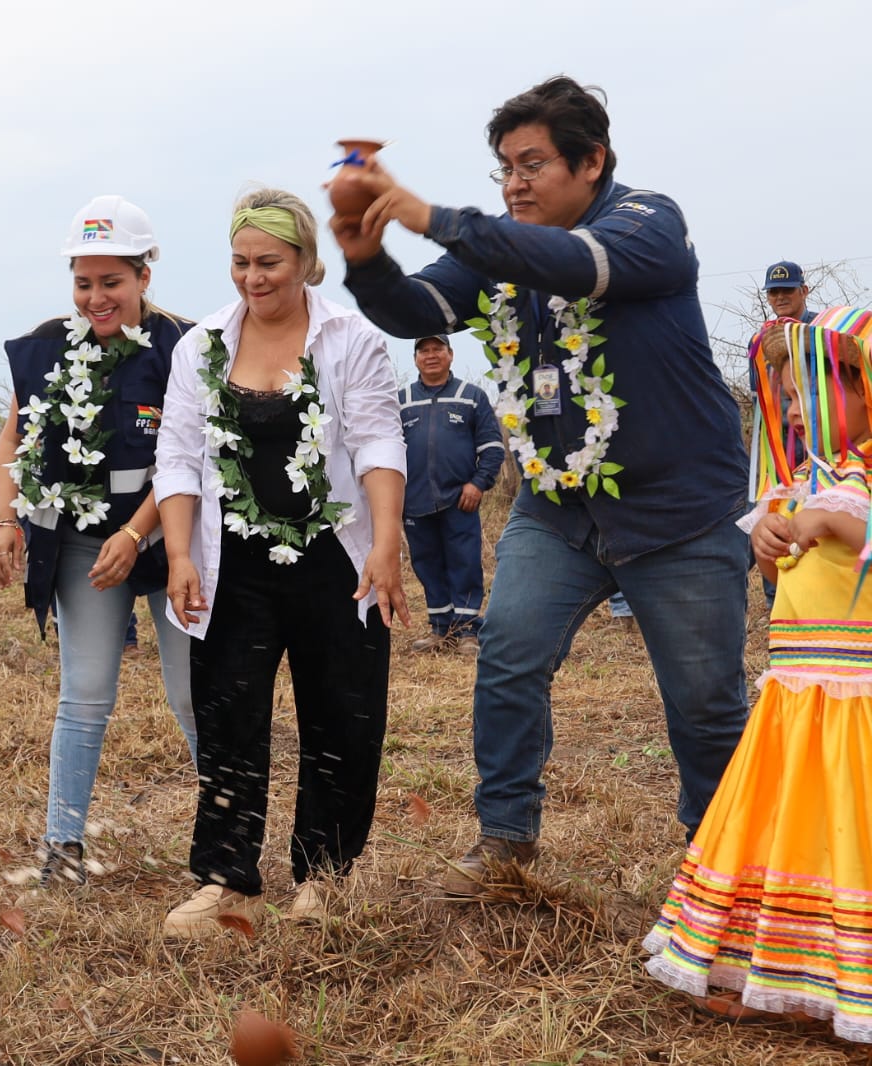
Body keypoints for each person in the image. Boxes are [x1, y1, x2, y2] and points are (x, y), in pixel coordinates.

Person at [334, 75, 751, 896]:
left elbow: (573, 264)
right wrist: (364, 252)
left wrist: (434, 218)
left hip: (680, 514)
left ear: (592, 161)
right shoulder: (500, 252)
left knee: (704, 703)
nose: (515, 184)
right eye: (503, 169)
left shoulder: (646, 224)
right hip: (557, 510)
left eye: (532, 165)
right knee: (508, 660)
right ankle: (504, 841)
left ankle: (721, 864)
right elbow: (416, 307)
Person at [154, 188, 407, 936]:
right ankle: (226, 878)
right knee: (228, 715)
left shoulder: (351, 339)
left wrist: (387, 543)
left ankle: (322, 876)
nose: (253, 278)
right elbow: (175, 454)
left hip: (335, 558)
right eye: (240, 262)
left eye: (269, 262)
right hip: (234, 564)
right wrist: (178, 553)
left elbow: (376, 442)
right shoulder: (199, 347)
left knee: (342, 712)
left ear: (304, 262)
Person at [644, 310, 872, 1040]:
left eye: (805, 390)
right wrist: (771, 540)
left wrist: (842, 522)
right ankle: (773, 973)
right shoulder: (803, 479)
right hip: (796, 695)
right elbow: (775, 558)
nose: (795, 408)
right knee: (794, 825)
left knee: (850, 827)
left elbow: (852, 531)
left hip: (855, 699)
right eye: (787, 393)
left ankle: (847, 985)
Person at [0, 195, 197, 888]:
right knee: (85, 694)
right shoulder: (49, 345)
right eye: (84, 282)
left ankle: (227, 836)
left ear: (144, 275)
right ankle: (63, 848)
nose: (96, 297)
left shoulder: (185, 346)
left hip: (171, 538)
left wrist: (137, 535)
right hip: (83, 545)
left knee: (191, 693)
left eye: (112, 281)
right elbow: (13, 438)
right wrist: (5, 519)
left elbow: (185, 459)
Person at [398, 333, 503, 655]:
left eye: (437, 349)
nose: (431, 355)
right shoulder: (400, 400)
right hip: (414, 501)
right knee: (427, 565)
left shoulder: (471, 396)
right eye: (424, 350)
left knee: (465, 563)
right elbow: (386, 448)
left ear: (451, 355)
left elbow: (493, 448)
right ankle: (440, 630)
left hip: (461, 499)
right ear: (416, 358)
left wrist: (478, 483)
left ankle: (467, 631)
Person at [749, 261, 816, 609]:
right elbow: (758, 393)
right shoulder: (759, 340)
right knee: (773, 512)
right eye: (774, 292)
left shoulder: (821, 331)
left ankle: (816, 592)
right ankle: (778, 600)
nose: (780, 297)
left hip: (818, 441)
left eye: (787, 290)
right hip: (777, 447)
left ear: (804, 291)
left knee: (815, 511)